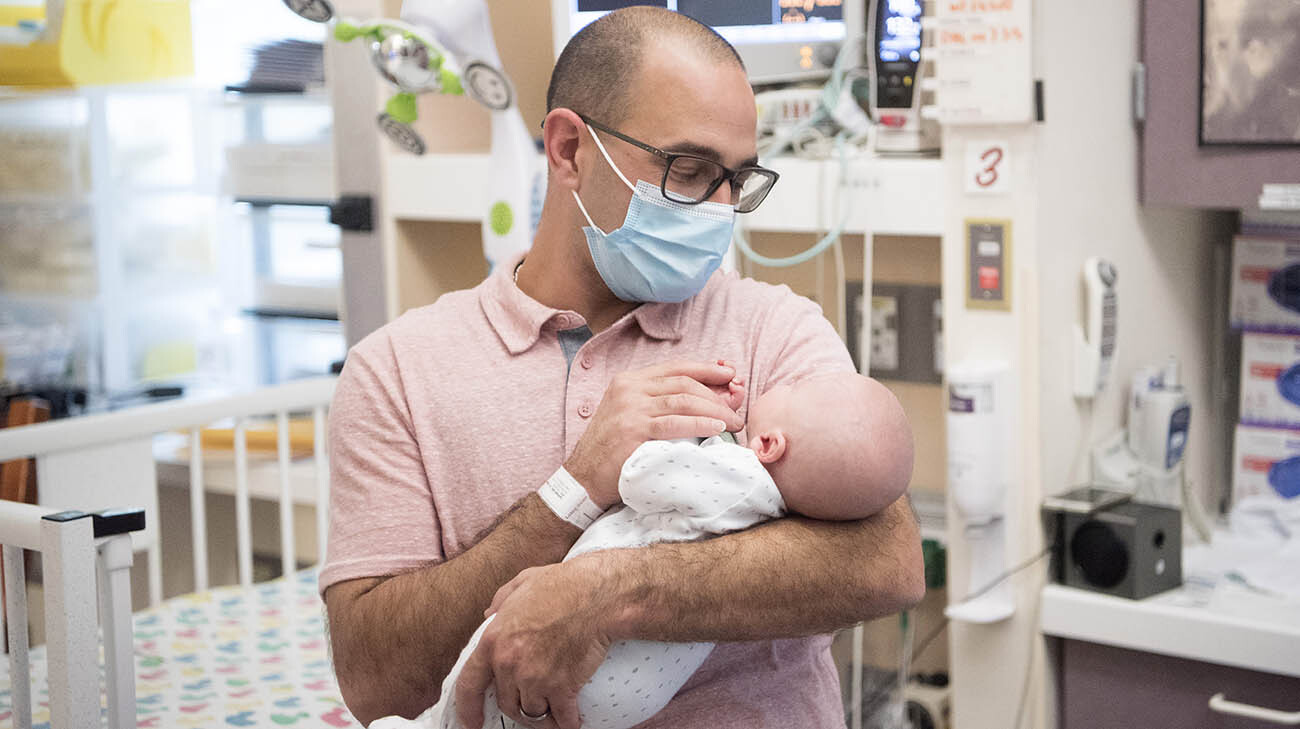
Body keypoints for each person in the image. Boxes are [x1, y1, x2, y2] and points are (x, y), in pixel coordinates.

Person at [321, 7, 925, 729]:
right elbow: (374, 681)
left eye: (738, 179)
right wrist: (570, 492)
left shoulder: (774, 328)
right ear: (570, 148)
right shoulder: (396, 373)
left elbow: (887, 562)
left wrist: (611, 594)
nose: (720, 210)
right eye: (690, 171)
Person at [370, 371, 915, 729]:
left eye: (792, 388)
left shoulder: (736, 472)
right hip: (637, 691)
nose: (782, 384)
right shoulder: (779, 506)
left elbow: (641, 477)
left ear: (769, 445)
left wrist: (686, 435)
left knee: (481, 680)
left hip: (609, 671)